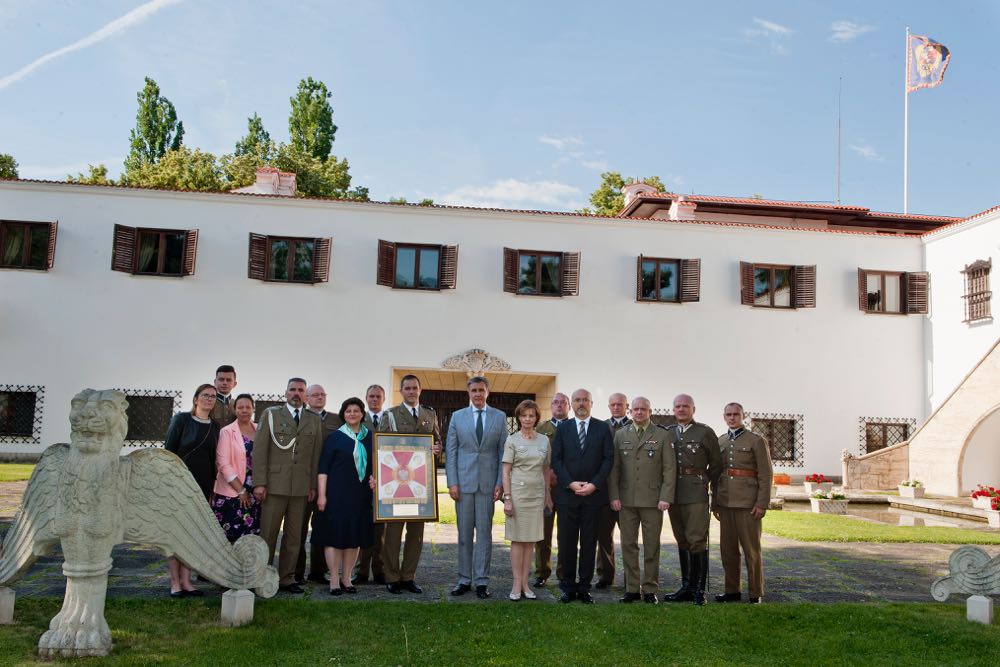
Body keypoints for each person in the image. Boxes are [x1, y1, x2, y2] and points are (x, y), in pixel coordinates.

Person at [252, 377, 322, 594]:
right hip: (274, 486)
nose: (296, 393)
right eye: (293, 389)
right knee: (268, 535)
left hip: (300, 488)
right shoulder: (271, 415)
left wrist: (312, 485)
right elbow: (260, 450)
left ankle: (287, 578)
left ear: (305, 395)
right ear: (285, 393)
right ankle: (260, 576)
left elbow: (315, 456)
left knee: (294, 537)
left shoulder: (313, 419)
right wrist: (260, 483)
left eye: (301, 390)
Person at [376, 374, 442, 594]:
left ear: (420, 390)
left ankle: (409, 576)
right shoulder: (391, 415)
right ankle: (392, 576)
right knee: (393, 534)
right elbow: (381, 448)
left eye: (415, 388)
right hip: (396, 485)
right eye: (407, 388)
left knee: (416, 534)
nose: (411, 391)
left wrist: (437, 449)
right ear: (402, 391)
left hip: (420, 486)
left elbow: (437, 442)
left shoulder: (429, 414)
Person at [446, 376, 508, 599]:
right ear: (468, 393)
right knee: (464, 535)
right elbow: (451, 452)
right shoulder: (457, 417)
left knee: (484, 534)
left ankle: (482, 581)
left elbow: (503, 453)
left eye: (481, 390)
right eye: (474, 390)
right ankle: (463, 579)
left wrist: (500, 483)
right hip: (462, 484)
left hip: (488, 485)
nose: (478, 394)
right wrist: (452, 482)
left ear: (487, 392)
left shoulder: (500, 418)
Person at [608, 397, 675, 604]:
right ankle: (631, 588)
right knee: (628, 545)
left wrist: (665, 497)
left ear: (649, 411)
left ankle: (650, 589)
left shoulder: (662, 435)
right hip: (626, 501)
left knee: (651, 546)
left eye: (643, 409)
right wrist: (614, 496)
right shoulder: (620, 435)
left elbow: (669, 469)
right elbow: (614, 469)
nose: (639, 412)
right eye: (635, 409)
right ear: (630, 411)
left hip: (653, 501)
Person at [551, 388, 614, 604]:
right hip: (568, 495)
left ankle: (585, 587)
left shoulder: (603, 428)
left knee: (589, 543)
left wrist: (594, 485)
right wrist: (570, 483)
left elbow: (608, 459)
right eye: (577, 400)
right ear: (572, 404)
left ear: (591, 403)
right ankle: (568, 587)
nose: (581, 403)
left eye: (585, 400)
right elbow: (556, 460)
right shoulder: (563, 428)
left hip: (593, 497)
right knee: (567, 542)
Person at [662, 393, 722, 605]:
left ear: (693, 409)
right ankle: (686, 586)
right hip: (674, 493)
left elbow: (716, 466)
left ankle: (699, 590)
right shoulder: (668, 433)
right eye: (677, 406)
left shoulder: (704, 432)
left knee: (697, 540)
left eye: (685, 406)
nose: (681, 409)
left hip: (696, 491)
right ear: (673, 410)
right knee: (682, 539)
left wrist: (708, 487)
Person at [312, 397, 375, 595]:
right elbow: (323, 469)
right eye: (348, 411)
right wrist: (321, 495)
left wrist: (375, 479)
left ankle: (347, 578)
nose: (352, 414)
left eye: (356, 410)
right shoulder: (335, 438)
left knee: (353, 537)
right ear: (343, 414)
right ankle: (334, 579)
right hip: (336, 495)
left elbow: (377, 464)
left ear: (362, 413)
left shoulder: (371, 437)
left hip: (360, 494)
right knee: (335, 537)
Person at [163, 383, 221, 597]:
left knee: (192, 533)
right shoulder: (182, 420)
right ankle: (175, 582)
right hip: (178, 484)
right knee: (175, 534)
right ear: (196, 399)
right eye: (205, 395)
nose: (209, 399)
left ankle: (187, 581)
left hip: (202, 486)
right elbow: (168, 451)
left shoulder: (215, 427)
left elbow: (214, 459)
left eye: (213, 396)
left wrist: (213, 487)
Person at [712, 403, 772, 604]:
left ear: (743, 416)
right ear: (724, 417)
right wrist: (715, 503)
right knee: (727, 551)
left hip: (748, 503)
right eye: (728, 415)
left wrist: (762, 503)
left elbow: (765, 474)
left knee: (751, 551)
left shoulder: (756, 440)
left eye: (735, 414)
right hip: (726, 503)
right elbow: (716, 474)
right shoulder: (720, 441)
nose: (732, 418)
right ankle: (732, 590)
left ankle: (755, 593)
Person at [502, 399, 552, 601]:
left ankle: (525, 583)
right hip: (518, 495)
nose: (527, 419)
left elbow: (546, 469)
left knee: (530, 541)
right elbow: (506, 472)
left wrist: (548, 495)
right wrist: (507, 498)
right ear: (519, 417)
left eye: (531, 415)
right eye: (524, 415)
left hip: (537, 495)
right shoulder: (512, 440)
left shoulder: (544, 440)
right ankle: (516, 584)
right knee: (518, 540)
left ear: (536, 418)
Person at [297, 384, 344, 585]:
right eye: (314, 395)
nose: (319, 398)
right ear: (307, 398)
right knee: (298, 529)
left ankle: (318, 571)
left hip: (330, 483)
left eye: (322, 394)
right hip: (304, 481)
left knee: (322, 527)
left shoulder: (336, 419)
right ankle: (296, 572)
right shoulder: (301, 417)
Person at [211, 393, 261, 543]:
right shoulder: (227, 432)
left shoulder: (260, 430)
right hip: (233, 491)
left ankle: (247, 567)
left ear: (253, 409)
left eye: (247, 407)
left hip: (256, 492)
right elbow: (223, 464)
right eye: (240, 407)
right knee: (230, 539)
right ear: (234, 409)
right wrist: (241, 490)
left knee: (251, 539)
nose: (244, 410)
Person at [533, 392, 570, 587]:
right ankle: (541, 572)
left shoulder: (575, 428)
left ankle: (564, 574)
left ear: (568, 407)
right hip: (545, 489)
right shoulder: (541, 429)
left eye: (563, 403)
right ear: (551, 406)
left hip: (568, 489)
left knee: (566, 534)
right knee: (543, 534)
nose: (559, 406)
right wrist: (548, 475)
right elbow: (535, 456)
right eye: (555, 402)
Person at [354, 384, 389, 585]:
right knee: (363, 526)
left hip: (386, 479)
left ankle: (380, 569)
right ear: (366, 398)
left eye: (378, 396)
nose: (374, 400)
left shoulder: (390, 419)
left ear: (383, 399)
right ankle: (361, 571)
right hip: (362, 479)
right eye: (371, 396)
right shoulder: (359, 418)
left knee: (381, 529)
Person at [597, 392, 631, 588]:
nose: (616, 407)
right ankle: (605, 575)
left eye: (620, 404)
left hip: (628, 490)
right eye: (613, 404)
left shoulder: (634, 427)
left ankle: (631, 578)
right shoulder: (601, 427)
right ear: (609, 406)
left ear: (626, 406)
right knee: (603, 535)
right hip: (604, 490)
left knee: (628, 537)